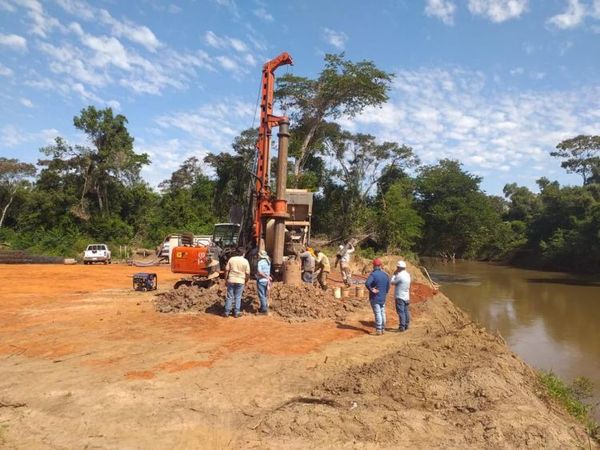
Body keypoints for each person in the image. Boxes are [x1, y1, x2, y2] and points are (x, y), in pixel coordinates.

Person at [365, 258, 390, 335]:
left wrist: (372, 289)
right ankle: (383, 328)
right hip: (382, 297)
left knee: (378, 313)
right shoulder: (386, 275)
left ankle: (379, 329)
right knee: (382, 312)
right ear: (380, 266)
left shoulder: (373, 274)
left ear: (374, 266)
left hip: (375, 297)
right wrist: (385, 293)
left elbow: (367, 283)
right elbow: (388, 286)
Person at [224, 248, 250, 318]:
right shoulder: (245, 261)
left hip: (231, 279)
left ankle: (226, 312)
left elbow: (226, 270)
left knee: (229, 296)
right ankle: (236, 312)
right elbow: (247, 273)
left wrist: (226, 279)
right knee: (238, 297)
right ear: (243, 253)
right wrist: (246, 281)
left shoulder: (231, 259)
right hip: (240, 280)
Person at [390, 260, 411, 331]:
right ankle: (406, 325)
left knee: (401, 312)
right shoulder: (408, 275)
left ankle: (402, 326)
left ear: (399, 267)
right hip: (406, 296)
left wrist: (394, 275)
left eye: (397, 267)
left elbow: (392, 282)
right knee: (406, 311)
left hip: (400, 296)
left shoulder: (400, 275)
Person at [256, 250, 271, 314]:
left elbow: (260, 272)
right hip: (267, 281)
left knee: (261, 295)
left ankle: (264, 309)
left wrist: (265, 276)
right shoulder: (268, 262)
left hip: (261, 280)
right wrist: (267, 277)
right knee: (264, 294)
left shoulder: (260, 262)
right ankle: (263, 307)